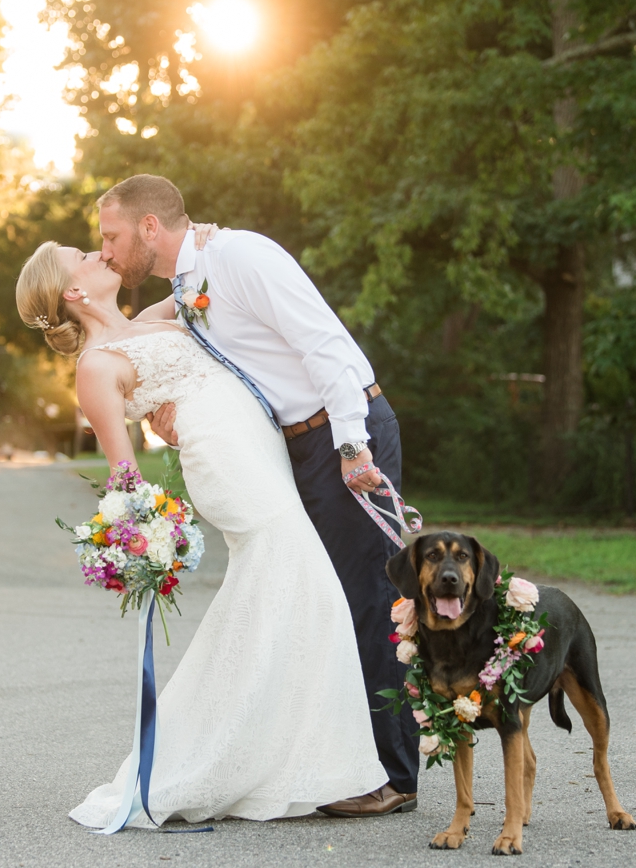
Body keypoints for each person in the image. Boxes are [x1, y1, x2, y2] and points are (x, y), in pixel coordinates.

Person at [16, 238, 386, 829]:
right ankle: (294, 763)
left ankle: (277, 755)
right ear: (73, 292)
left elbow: (196, 285)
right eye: (82, 255)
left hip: (259, 446)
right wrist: (145, 541)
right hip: (225, 463)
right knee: (309, 586)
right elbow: (124, 474)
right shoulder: (94, 366)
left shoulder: (148, 319)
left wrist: (209, 238)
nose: (98, 253)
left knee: (283, 594)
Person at [102, 174, 419, 818]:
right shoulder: (186, 289)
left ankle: (393, 775)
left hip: (343, 433)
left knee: (366, 600)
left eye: (111, 236)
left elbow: (322, 340)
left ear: (150, 227)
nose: (107, 250)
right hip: (295, 447)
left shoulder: (239, 255)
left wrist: (353, 446)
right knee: (319, 601)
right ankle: (340, 761)